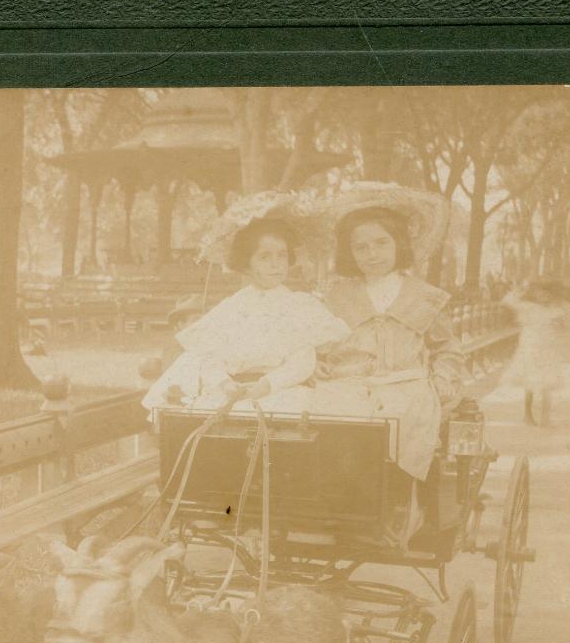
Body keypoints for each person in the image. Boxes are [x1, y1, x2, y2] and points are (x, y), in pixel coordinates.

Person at [311, 188, 466, 542]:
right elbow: (315, 343)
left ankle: (399, 504)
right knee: (332, 416)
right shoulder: (337, 296)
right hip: (348, 382)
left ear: (399, 243)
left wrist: (443, 379)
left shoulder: (424, 296)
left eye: (381, 243)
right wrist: (315, 362)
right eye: (361, 247)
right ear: (350, 253)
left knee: (400, 418)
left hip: (404, 383)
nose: (372, 254)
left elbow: (447, 348)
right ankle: (344, 509)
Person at [141, 209, 348, 415]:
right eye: (264, 257)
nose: (275, 264)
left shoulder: (300, 305)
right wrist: (224, 383)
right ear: (246, 264)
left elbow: (303, 360)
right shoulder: (232, 307)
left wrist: (267, 385)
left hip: (280, 391)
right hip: (231, 391)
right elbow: (207, 357)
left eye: (282, 255)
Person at [501, 279, 570, 426]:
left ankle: (545, 417)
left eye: (547, 294)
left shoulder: (555, 310)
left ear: (551, 295)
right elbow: (507, 301)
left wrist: (559, 324)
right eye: (540, 293)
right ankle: (528, 415)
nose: (543, 297)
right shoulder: (528, 308)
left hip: (548, 350)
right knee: (530, 383)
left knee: (547, 383)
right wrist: (520, 290)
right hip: (530, 349)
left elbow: (566, 325)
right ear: (534, 294)